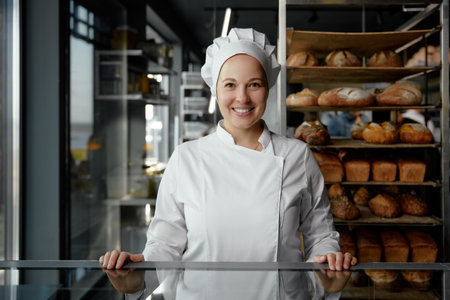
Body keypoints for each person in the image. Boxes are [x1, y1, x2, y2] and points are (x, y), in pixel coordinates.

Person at [100, 28, 357, 271]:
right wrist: (134, 269)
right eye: (230, 85)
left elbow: (320, 235)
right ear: (215, 90)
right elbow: (165, 247)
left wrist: (329, 262)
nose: (242, 98)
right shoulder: (186, 158)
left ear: (267, 88)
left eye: (254, 84)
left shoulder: (296, 156)